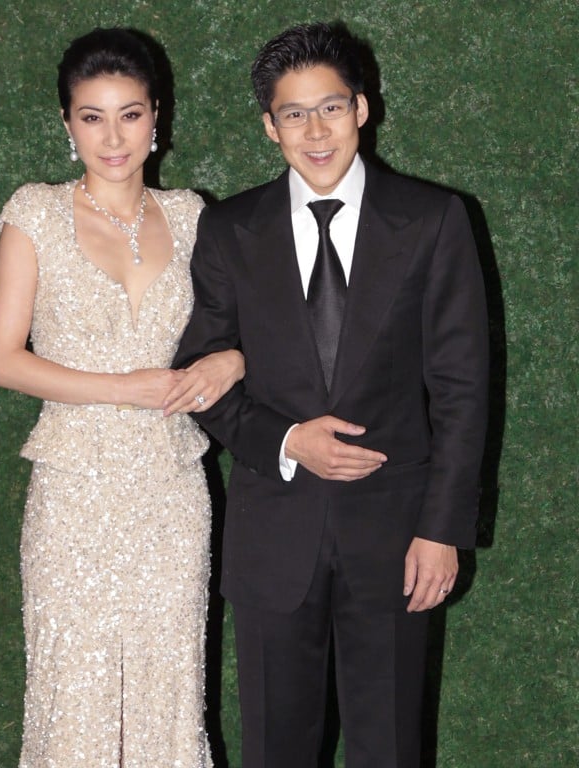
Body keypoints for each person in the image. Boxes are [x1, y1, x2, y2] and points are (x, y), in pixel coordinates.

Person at [174, 21, 489, 768]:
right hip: (273, 542)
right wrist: (287, 441)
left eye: (332, 108)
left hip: (398, 541)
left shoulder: (433, 220)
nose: (316, 131)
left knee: (389, 751)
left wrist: (442, 529)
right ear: (268, 125)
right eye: (294, 113)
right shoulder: (229, 230)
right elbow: (202, 377)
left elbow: (463, 388)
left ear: (363, 109)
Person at [0, 27, 243, 768]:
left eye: (129, 113)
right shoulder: (35, 212)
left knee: (170, 691)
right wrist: (123, 388)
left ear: (156, 116)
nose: (113, 135)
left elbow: (265, 327)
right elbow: (2, 361)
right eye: (92, 116)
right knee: (75, 692)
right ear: (67, 124)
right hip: (74, 490)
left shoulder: (195, 216)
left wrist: (231, 357)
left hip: (171, 491)